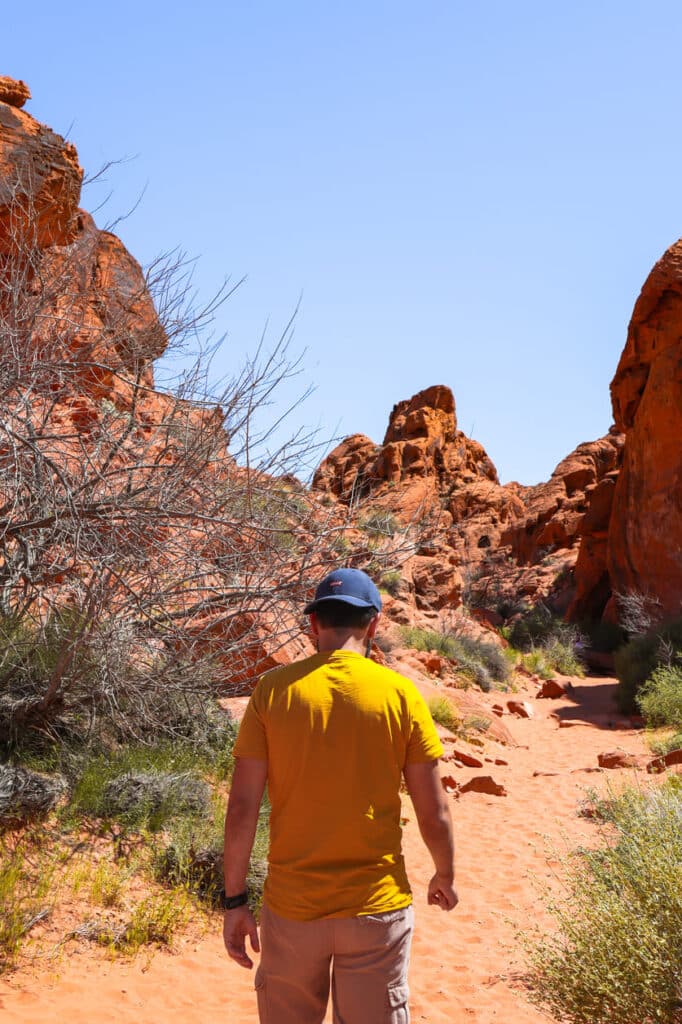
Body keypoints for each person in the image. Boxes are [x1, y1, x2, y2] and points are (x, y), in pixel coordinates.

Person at [223, 567, 458, 1023]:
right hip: (375, 909)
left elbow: (242, 807)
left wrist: (235, 902)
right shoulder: (400, 694)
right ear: (373, 625)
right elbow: (434, 811)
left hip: (293, 911)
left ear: (314, 626)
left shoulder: (272, 691)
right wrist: (444, 873)